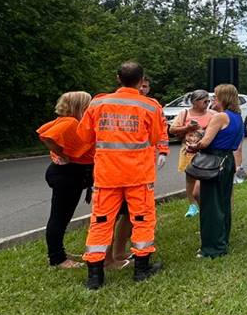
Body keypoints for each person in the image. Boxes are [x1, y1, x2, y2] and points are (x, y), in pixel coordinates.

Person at [76, 61, 167, 290]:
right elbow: (156, 137)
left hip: (107, 175)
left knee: (100, 222)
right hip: (139, 175)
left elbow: (84, 137)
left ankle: (95, 277)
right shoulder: (150, 107)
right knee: (142, 221)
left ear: (118, 78)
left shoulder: (98, 103)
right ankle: (141, 270)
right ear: (141, 80)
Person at [106, 75, 168, 270]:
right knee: (110, 216)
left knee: (132, 216)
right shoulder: (112, 104)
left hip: (140, 170)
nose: (143, 89)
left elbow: (161, 131)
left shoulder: (151, 105)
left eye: (147, 87)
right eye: (141, 86)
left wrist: (163, 151)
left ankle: (119, 251)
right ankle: (108, 258)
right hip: (114, 170)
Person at [37, 91, 95, 269]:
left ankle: (58, 253)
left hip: (71, 174)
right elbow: (47, 136)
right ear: (79, 105)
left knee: (62, 216)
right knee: (60, 217)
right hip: (68, 175)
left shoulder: (69, 121)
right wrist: (62, 153)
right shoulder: (69, 122)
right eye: (87, 103)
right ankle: (57, 258)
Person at [186, 84, 244, 258]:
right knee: (223, 203)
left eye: (215, 97)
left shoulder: (220, 117)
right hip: (227, 162)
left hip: (214, 162)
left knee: (211, 205)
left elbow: (205, 142)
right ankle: (222, 239)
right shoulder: (237, 117)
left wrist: (193, 147)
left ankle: (212, 248)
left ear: (223, 99)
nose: (212, 100)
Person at [169, 90, 215, 217]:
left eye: (208, 101)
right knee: (190, 179)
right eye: (204, 101)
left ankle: (204, 205)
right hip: (187, 152)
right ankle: (193, 205)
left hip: (205, 152)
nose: (207, 103)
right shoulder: (184, 113)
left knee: (202, 180)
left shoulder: (212, 114)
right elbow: (172, 129)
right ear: (194, 102)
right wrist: (187, 128)